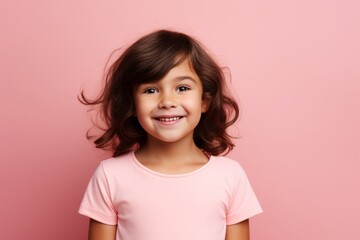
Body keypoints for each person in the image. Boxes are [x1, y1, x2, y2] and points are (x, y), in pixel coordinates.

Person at [78, 29, 262, 240]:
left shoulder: (231, 176)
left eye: (182, 88)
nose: (167, 101)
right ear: (132, 103)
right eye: (151, 90)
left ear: (205, 101)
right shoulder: (110, 176)